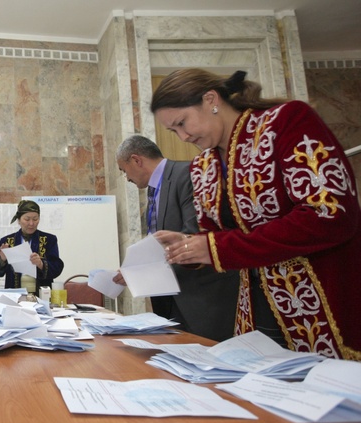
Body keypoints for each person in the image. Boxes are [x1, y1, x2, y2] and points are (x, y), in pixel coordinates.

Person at [151, 68, 361, 360]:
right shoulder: (203, 167)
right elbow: (219, 236)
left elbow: (329, 213)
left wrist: (214, 247)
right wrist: (189, 245)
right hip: (255, 311)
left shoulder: (286, 121)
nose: (183, 136)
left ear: (211, 99)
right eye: (174, 131)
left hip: (321, 300)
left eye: (182, 123)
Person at [114, 135, 240, 341]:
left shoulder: (188, 174)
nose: (126, 177)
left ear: (136, 160)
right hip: (170, 300)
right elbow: (160, 241)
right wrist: (135, 268)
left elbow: (195, 234)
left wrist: (141, 272)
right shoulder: (154, 190)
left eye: (123, 170)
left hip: (202, 299)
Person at [0, 200, 64, 293]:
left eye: (35, 219)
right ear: (19, 220)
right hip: (14, 295)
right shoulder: (7, 241)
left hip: (41, 295)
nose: (31, 223)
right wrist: (2, 261)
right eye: (27, 219)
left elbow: (57, 268)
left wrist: (41, 264)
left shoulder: (49, 239)